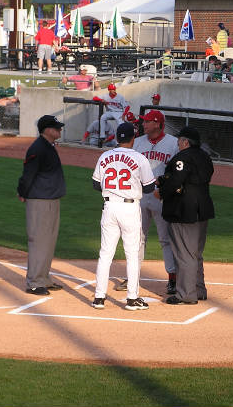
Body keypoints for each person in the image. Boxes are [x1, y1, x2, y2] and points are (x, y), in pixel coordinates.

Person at [91, 122, 156, 310]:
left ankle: (99, 297)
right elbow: (150, 187)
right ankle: (132, 298)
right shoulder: (139, 158)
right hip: (129, 209)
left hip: (109, 207)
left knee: (105, 254)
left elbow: (96, 185)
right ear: (133, 138)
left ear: (117, 138)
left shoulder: (104, 156)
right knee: (132, 254)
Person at [114, 110, 179, 294]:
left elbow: (175, 172)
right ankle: (133, 276)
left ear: (158, 124)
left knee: (165, 239)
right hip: (139, 197)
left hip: (161, 197)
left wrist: (166, 189)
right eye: (144, 122)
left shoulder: (173, 144)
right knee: (136, 239)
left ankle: (172, 278)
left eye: (147, 122)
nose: (144, 124)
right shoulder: (138, 142)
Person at [158, 127, 215, 305]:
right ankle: (198, 289)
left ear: (185, 142)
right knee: (196, 253)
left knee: (184, 253)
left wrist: (162, 191)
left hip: (184, 210)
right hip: (203, 208)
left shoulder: (182, 158)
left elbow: (176, 180)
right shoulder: (205, 157)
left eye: (179, 140)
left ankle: (185, 294)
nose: (177, 143)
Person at [16, 115, 66, 295]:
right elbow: (28, 173)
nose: (59, 130)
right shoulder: (38, 148)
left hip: (51, 199)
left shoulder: (48, 146)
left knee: (49, 241)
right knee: (39, 241)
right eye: (56, 128)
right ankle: (34, 282)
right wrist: (23, 192)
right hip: (40, 201)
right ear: (47, 130)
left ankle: (44, 278)